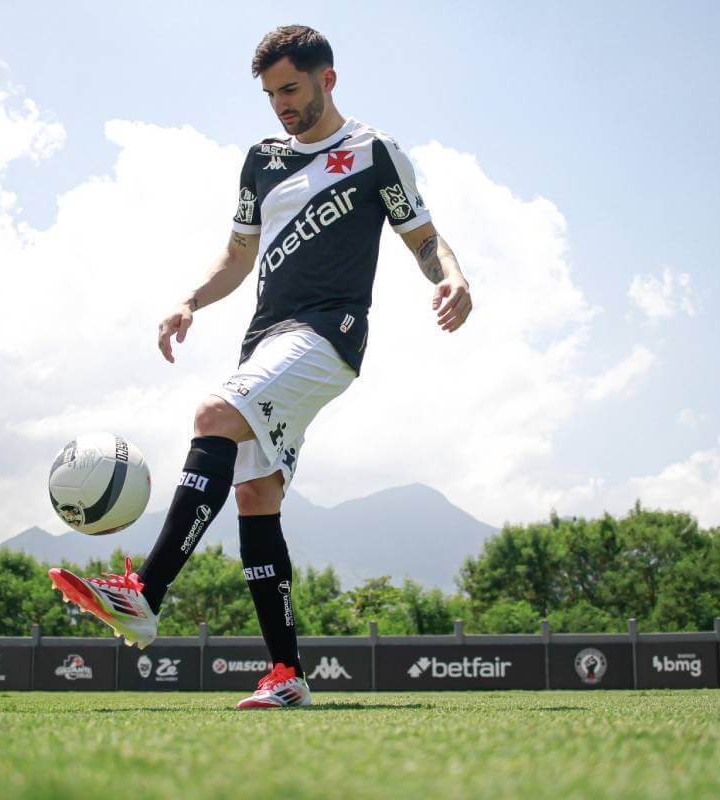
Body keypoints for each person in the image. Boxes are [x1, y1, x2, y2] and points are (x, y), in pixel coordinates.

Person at [49, 24, 472, 709]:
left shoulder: (374, 154)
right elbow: (238, 256)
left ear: (327, 79)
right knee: (256, 496)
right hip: (265, 340)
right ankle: (286, 674)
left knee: (213, 413)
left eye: (292, 89)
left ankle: (144, 595)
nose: (280, 103)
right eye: (271, 93)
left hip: (328, 336)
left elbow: (422, 236)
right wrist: (190, 299)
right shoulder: (261, 161)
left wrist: (450, 278)